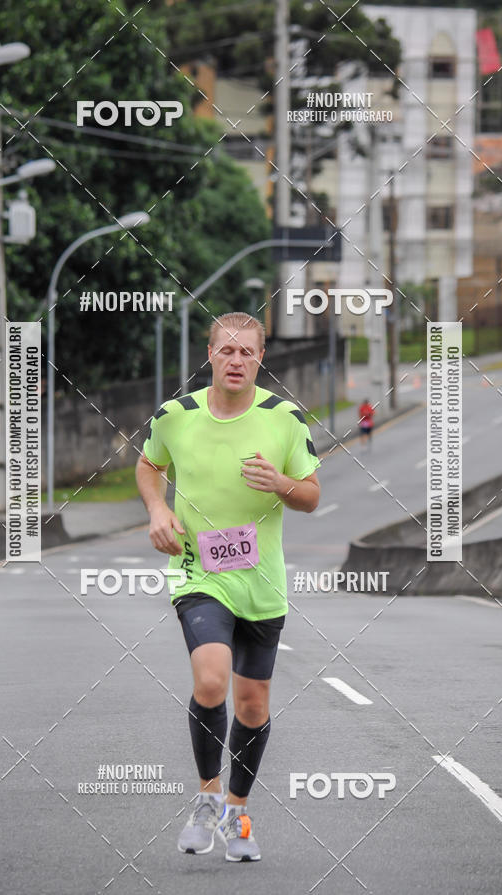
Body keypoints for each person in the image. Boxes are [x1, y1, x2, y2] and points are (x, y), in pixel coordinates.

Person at [136, 311, 320, 862]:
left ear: (261, 358)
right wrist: (156, 510)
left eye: (247, 352)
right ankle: (207, 799)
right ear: (210, 354)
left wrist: (283, 483)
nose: (236, 360)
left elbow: (311, 496)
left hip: (262, 581)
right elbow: (149, 466)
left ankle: (238, 811)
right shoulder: (176, 416)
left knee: (253, 704)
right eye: (226, 350)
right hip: (199, 572)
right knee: (211, 681)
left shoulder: (285, 418)